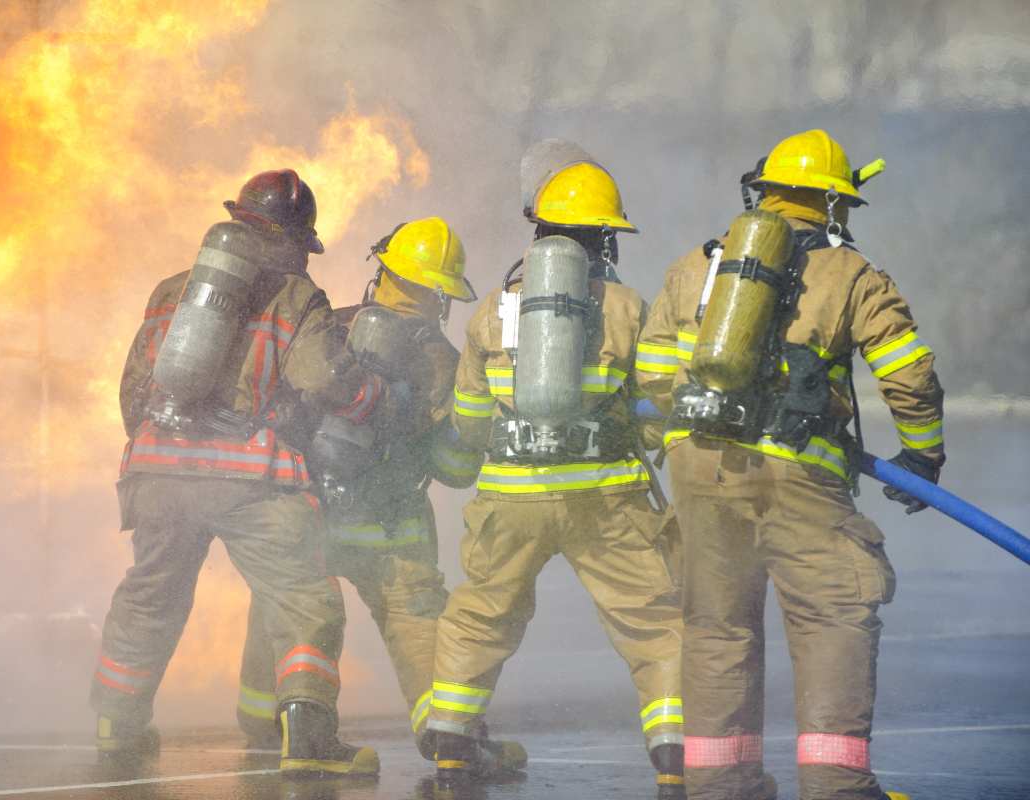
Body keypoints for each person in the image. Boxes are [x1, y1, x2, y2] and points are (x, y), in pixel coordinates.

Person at [636, 129, 940, 800]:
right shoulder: (851, 273)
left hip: (700, 470)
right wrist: (922, 454)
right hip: (797, 478)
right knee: (831, 619)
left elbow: (654, 373)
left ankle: (721, 786)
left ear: (764, 191)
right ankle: (836, 788)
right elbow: (908, 373)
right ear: (830, 205)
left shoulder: (697, 265)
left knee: (717, 631)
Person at [91, 169, 382, 777]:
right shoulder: (299, 299)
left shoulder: (173, 291)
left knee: (151, 595)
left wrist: (160, 455)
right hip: (253, 479)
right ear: (292, 239)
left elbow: (133, 386)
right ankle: (309, 740)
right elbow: (320, 378)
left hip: (158, 474)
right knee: (305, 597)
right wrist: (370, 399)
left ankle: (117, 725)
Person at [428, 146, 686, 798]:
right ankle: (675, 755)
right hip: (607, 496)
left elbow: (469, 417)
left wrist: (466, 457)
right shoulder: (627, 307)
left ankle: (453, 744)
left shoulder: (492, 309)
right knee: (654, 623)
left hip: (512, 495)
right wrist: (658, 441)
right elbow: (657, 398)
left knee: (482, 613)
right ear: (603, 237)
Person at [236, 217, 526, 768]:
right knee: (414, 616)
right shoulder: (441, 357)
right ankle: (451, 738)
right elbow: (455, 467)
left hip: (309, 509)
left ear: (383, 270)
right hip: (392, 528)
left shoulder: (331, 327)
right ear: (440, 295)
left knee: (285, 602)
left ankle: (262, 718)